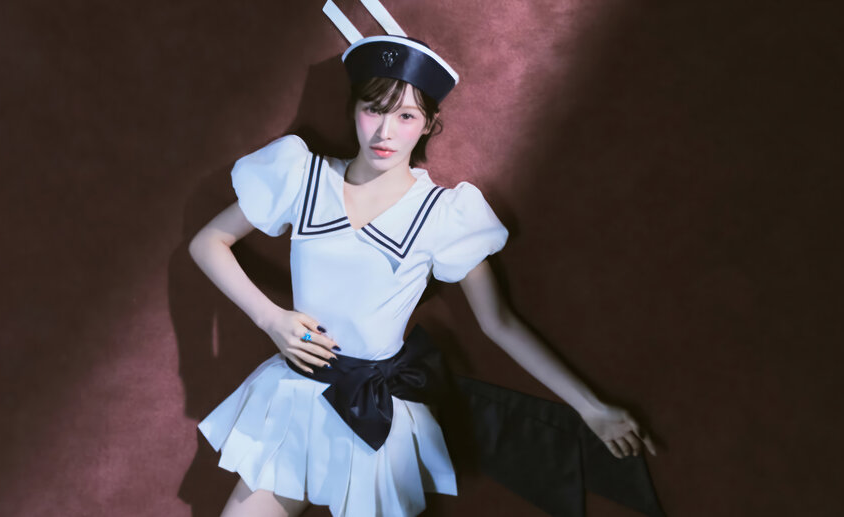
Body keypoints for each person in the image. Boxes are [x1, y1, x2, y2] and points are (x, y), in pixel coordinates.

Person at [188, 8, 657, 517]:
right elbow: (208, 241)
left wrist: (593, 408)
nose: (384, 132)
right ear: (353, 110)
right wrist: (271, 318)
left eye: (406, 116)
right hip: (297, 397)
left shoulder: (444, 215)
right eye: (373, 110)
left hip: (378, 419)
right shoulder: (302, 175)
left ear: (429, 124)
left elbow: (498, 323)